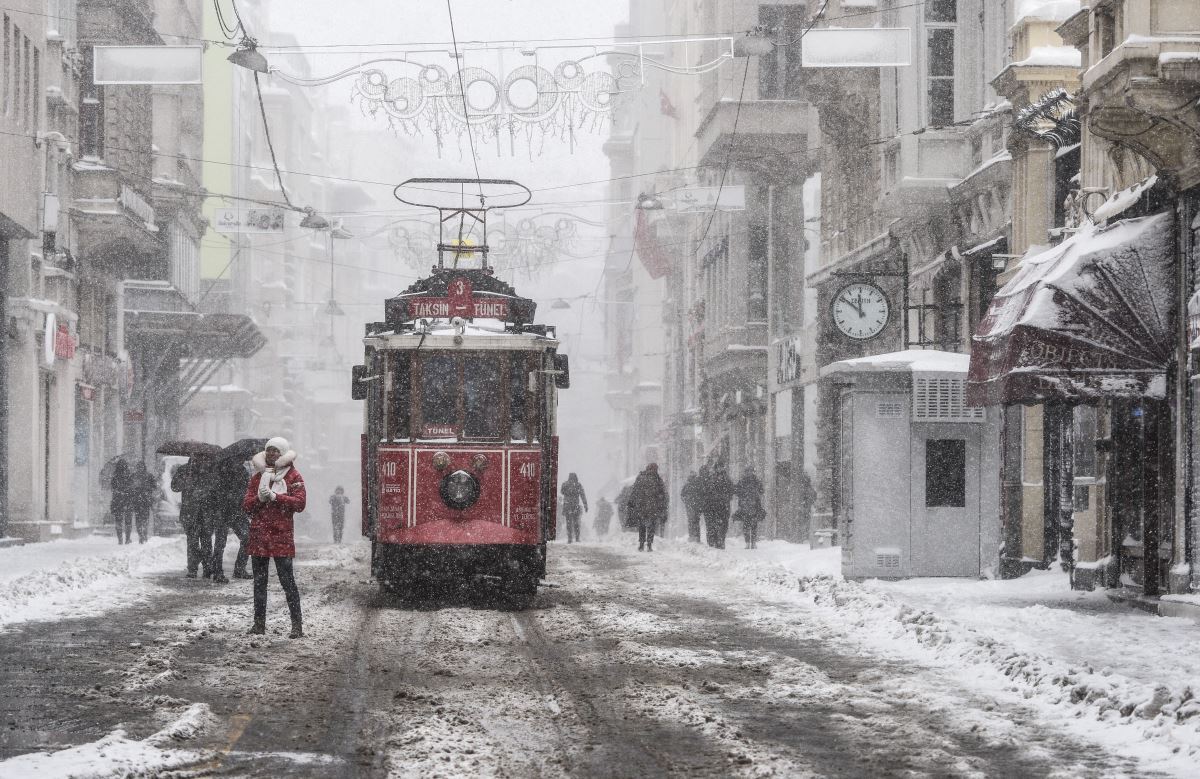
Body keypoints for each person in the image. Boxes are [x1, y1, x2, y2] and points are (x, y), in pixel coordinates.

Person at [243, 437, 307, 638]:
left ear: (283, 454)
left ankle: (297, 626)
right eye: (269, 450)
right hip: (259, 536)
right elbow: (246, 506)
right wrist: (259, 499)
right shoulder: (257, 477)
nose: (271, 454)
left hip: (281, 536)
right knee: (259, 583)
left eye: (275, 451)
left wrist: (276, 497)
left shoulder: (293, 476)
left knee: (287, 582)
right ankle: (258, 624)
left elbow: (300, 503)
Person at [172, 454, 216, 577]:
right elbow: (174, 487)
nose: (200, 459)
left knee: (206, 540)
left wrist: (205, 492)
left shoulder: (209, 470)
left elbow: (215, 489)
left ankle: (207, 567)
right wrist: (185, 480)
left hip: (206, 512)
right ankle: (192, 569)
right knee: (192, 541)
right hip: (189, 512)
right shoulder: (184, 470)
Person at [209, 458, 252, 583]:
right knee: (220, 543)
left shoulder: (243, 471)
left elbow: (245, 490)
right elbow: (214, 491)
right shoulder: (220, 470)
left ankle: (239, 569)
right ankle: (217, 572)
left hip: (238, 511)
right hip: (223, 510)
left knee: (248, 538)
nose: (241, 461)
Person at [628, 463, 668, 552]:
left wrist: (632, 502)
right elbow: (663, 494)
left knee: (642, 526)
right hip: (652, 507)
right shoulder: (657, 479)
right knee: (651, 526)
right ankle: (649, 544)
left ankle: (642, 544)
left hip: (642, 506)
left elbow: (634, 491)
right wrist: (662, 505)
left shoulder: (641, 477)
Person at [734, 467, 765, 550]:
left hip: (754, 506)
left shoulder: (756, 481)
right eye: (748, 471)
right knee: (746, 525)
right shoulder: (742, 481)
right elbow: (736, 491)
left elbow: (762, 491)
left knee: (754, 524)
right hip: (745, 506)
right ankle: (748, 542)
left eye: (751, 471)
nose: (749, 473)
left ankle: (753, 542)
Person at [705, 462, 734, 550]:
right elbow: (707, 490)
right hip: (713, 506)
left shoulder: (727, 479)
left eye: (721, 467)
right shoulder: (711, 478)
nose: (720, 469)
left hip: (723, 506)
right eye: (718, 467)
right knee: (712, 525)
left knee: (723, 525)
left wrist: (726, 497)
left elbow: (731, 491)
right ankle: (712, 541)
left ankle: (720, 541)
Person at [130, 461, 158, 544]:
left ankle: (141, 535)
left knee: (139, 519)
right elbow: (154, 486)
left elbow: (130, 488)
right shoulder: (149, 476)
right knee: (144, 519)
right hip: (145, 501)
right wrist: (148, 489)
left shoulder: (134, 476)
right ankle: (143, 534)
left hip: (138, 501)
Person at [109, 460, 136, 545]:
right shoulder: (129, 476)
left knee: (118, 521)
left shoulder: (115, 477)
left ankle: (120, 539)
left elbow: (113, 488)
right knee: (128, 521)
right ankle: (127, 539)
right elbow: (132, 489)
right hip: (128, 501)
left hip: (117, 502)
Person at [559, 473, 588, 543]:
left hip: (567, 505)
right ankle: (577, 538)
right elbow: (582, 495)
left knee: (568, 523)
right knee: (576, 522)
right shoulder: (578, 485)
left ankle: (570, 538)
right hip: (575, 506)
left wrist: (568, 490)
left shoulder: (565, 484)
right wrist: (585, 505)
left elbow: (562, 492)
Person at [681, 469, 703, 543]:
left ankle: (693, 537)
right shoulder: (696, 484)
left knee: (692, 521)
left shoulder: (688, 484)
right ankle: (695, 537)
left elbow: (682, 495)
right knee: (694, 521)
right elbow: (682, 495)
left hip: (692, 506)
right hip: (694, 506)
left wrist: (686, 501)